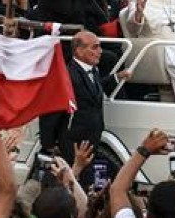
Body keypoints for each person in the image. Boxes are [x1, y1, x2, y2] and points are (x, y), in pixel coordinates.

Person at [39, 31, 129, 163]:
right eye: (95, 47)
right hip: (72, 143)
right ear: (79, 51)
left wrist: (117, 77)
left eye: (99, 46)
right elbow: (50, 112)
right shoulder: (66, 76)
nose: (100, 51)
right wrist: (49, 144)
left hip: (91, 140)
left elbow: (91, 90)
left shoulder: (92, 70)